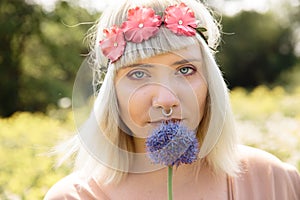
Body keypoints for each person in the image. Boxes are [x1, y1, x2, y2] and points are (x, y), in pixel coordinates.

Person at [44, 0, 300, 199]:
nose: (166, 100)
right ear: (112, 94)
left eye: (185, 70)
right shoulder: (71, 197)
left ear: (210, 83)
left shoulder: (273, 181)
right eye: (139, 73)